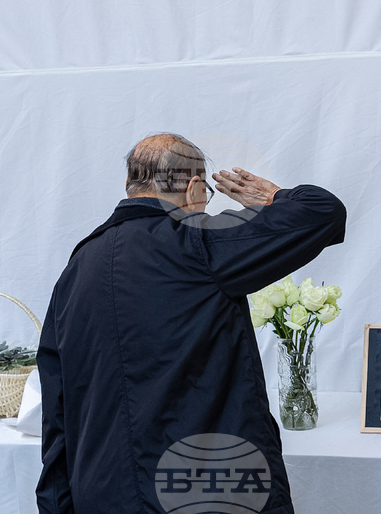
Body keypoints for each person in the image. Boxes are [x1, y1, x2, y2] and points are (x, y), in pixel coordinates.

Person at [37, 133, 346, 513]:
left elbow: (57, 411)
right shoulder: (197, 244)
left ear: (131, 186)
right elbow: (321, 210)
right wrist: (270, 198)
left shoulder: (76, 269)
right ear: (196, 188)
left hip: (102, 493)